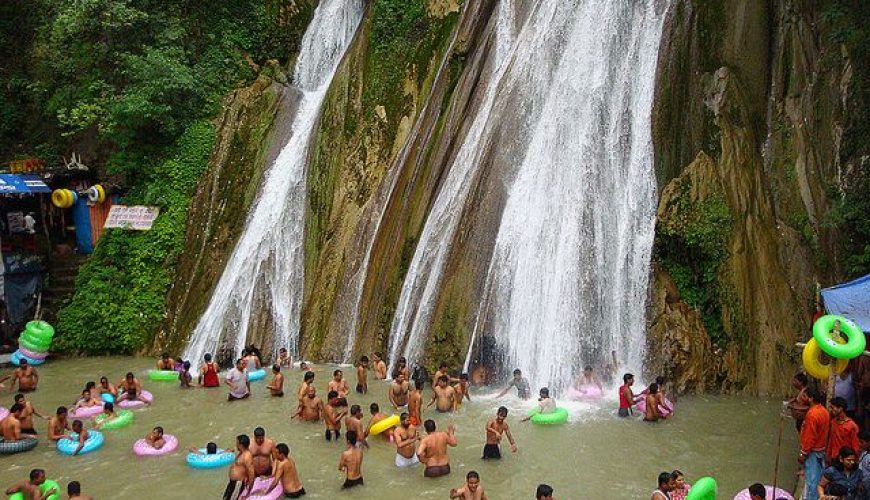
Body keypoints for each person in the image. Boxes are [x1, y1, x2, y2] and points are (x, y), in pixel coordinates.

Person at [800, 387, 830, 500]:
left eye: (804, 396)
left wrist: (803, 453)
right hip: (821, 450)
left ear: (811, 398)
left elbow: (810, 437)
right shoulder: (824, 411)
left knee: (812, 481)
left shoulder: (812, 414)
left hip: (813, 452)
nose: (802, 398)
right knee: (817, 478)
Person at [828, 396, 860, 463]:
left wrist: (854, 460)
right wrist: (828, 455)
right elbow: (831, 440)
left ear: (840, 409)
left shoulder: (851, 426)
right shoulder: (833, 422)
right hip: (834, 458)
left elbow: (855, 446)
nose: (831, 410)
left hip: (846, 460)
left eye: (832, 407)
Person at [224, 434, 254, 500]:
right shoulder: (241, 453)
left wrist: (249, 491)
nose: (236, 445)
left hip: (238, 483)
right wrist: (228, 451)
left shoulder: (247, 456)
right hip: (232, 483)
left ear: (241, 445)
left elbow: (251, 473)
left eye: (237, 443)